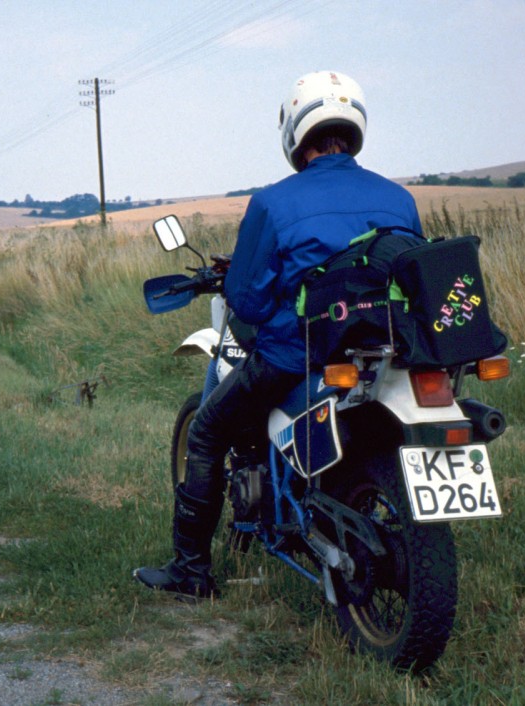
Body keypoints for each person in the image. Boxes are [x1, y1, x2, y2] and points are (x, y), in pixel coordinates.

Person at [133, 71, 423, 598]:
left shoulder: (274, 202)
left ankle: (190, 571)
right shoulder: (399, 200)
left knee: (205, 434)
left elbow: (246, 301)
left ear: (295, 132)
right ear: (353, 126)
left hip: (298, 357)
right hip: (385, 357)